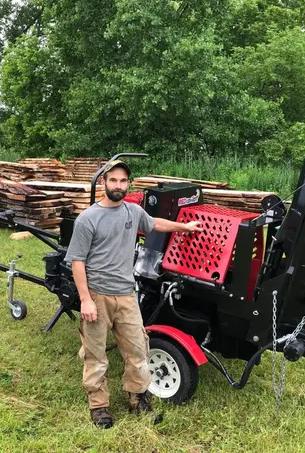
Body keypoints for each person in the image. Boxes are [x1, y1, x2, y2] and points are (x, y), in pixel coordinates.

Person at [64, 159, 203, 428]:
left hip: (127, 295)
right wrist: (85, 299)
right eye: (113, 180)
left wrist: (184, 228)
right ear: (104, 182)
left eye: (123, 181)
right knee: (96, 356)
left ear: (129, 184)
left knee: (138, 350)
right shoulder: (88, 219)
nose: (118, 185)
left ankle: (137, 398)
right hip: (98, 296)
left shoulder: (133, 211)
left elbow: (156, 223)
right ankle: (99, 406)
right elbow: (77, 261)